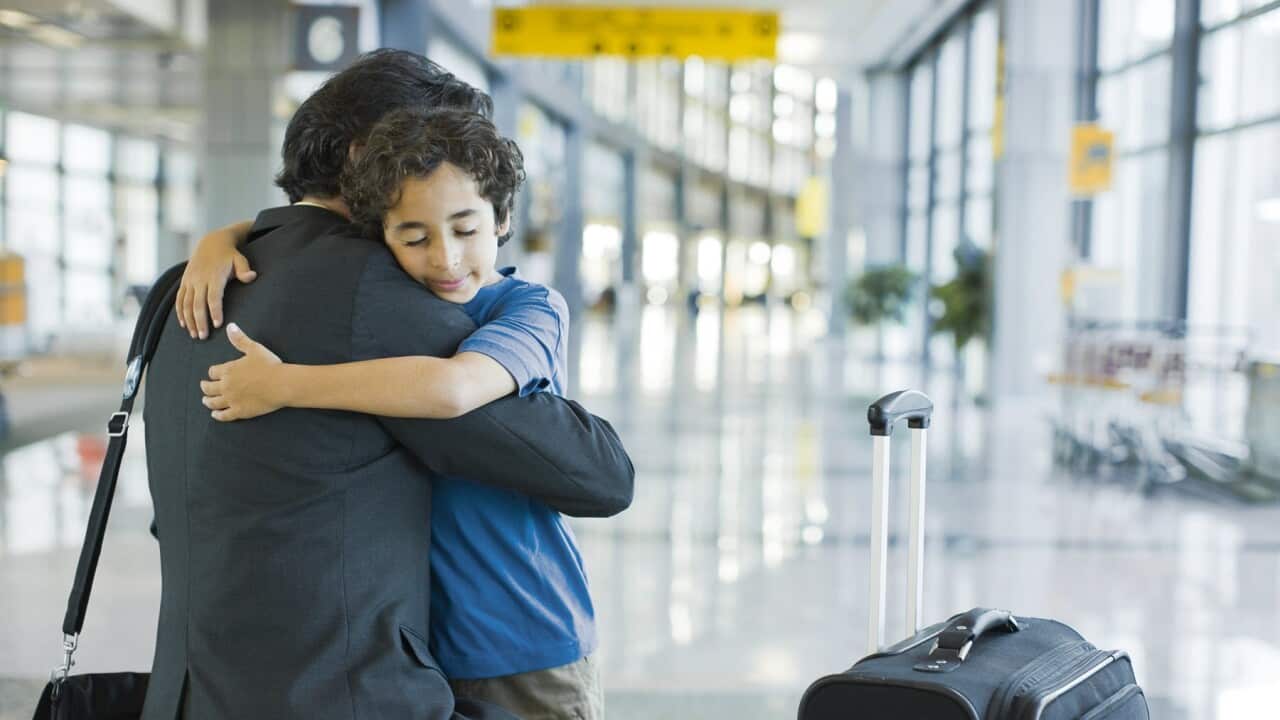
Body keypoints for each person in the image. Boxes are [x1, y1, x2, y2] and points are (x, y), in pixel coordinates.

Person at [141, 49, 633, 720]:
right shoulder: (369, 292)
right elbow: (596, 474)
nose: (444, 248)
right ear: (366, 157)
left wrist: (228, 244)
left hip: (194, 689)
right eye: (422, 152)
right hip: (343, 687)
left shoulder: (190, 286)